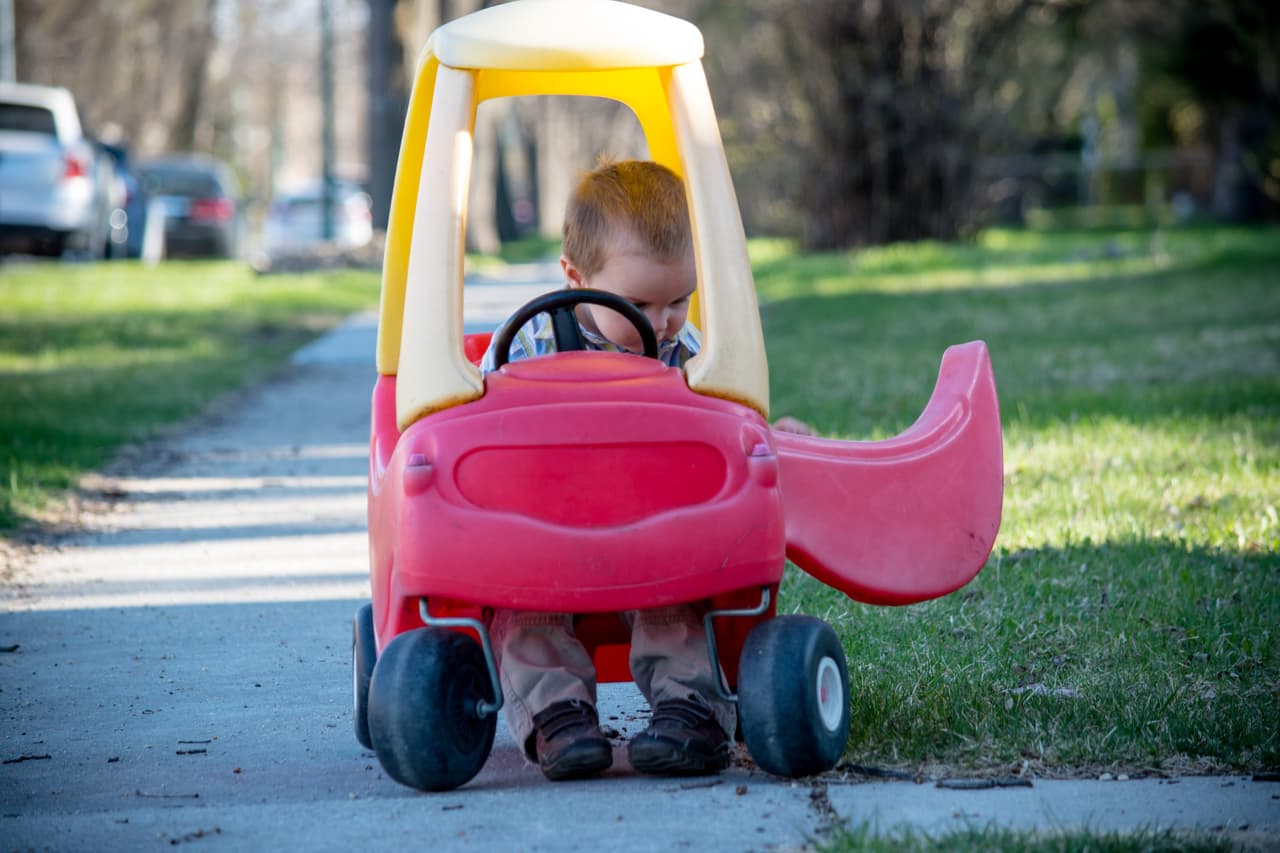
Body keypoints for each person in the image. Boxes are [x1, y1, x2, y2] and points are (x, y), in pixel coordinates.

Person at [480, 158, 808, 782]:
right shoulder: (528, 345)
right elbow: (486, 428)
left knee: (675, 605)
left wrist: (773, 433)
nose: (662, 324)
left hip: (655, 528)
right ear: (576, 279)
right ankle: (560, 719)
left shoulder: (686, 353)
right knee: (523, 615)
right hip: (545, 530)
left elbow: (729, 423)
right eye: (638, 304)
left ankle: (690, 715)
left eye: (679, 300)